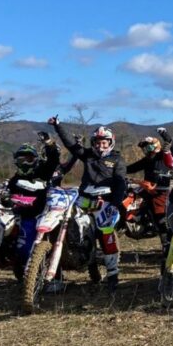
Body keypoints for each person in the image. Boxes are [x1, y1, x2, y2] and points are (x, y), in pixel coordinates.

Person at [48, 117, 127, 291]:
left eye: (105, 142)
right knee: (65, 227)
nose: (101, 145)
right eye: (98, 142)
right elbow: (71, 145)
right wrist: (58, 126)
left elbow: (121, 183)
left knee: (106, 234)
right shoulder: (88, 155)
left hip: (105, 202)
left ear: (111, 143)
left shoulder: (117, 160)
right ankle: (56, 273)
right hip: (83, 199)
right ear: (93, 142)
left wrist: (115, 204)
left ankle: (113, 274)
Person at [6, 137, 62, 284]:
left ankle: (55, 277)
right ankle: (26, 273)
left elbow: (53, 160)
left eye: (29, 159)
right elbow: (6, 196)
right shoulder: (15, 179)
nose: (25, 162)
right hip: (22, 216)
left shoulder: (43, 172)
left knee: (46, 245)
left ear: (35, 160)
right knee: (20, 247)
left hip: (43, 215)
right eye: (21, 159)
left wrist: (49, 144)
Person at [126, 135, 173, 258]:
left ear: (155, 146)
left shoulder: (163, 157)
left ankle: (166, 244)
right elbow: (131, 168)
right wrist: (116, 169)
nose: (146, 150)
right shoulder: (146, 160)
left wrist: (166, 135)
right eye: (144, 148)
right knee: (130, 197)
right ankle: (138, 222)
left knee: (160, 217)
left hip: (160, 191)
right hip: (146, 189)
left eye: (148, 147)